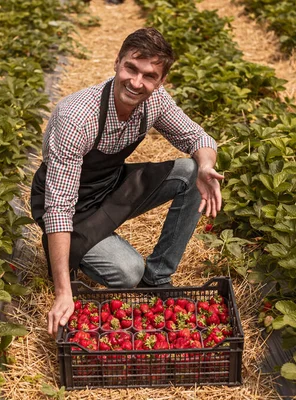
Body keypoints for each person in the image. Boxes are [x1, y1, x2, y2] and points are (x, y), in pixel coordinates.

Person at [30, 28, 223, 336]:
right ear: (117, 62)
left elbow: (197, 137)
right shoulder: (78, 117)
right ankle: (64, 252)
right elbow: (58, 207)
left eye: (149, 76)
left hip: (109, 184)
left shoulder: (154, 101)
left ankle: (158, 277)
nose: (136, 82)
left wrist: (206, 165)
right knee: (128, 272)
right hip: (71, 204)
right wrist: (63, 289)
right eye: (131, 68)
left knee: (190, 170)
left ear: (160, 81)